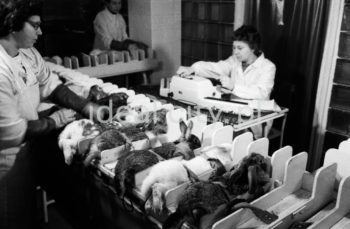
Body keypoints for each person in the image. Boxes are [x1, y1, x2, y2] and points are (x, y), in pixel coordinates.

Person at [0, 0, 104, 228]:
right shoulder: (1, 68)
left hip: (31, 147)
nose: (40, 31)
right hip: (7, 159)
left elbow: (50, 84)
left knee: (30, 210)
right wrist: (55, 120)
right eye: (35, 25)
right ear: (12, 24)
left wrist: (86, 107)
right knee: (13, 216)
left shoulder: (28, 53)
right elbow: (12, 131)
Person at [177, 25, 276, 138]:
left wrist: (234, 87)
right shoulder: (234, 61)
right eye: (234, 48)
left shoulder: (268, 67)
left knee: (245, 145)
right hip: (234, 113)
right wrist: (193, 69)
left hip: (257, 116)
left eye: (240, 48)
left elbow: (261, 92)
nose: (235, 52)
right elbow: (217, 67)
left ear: (253, 48)